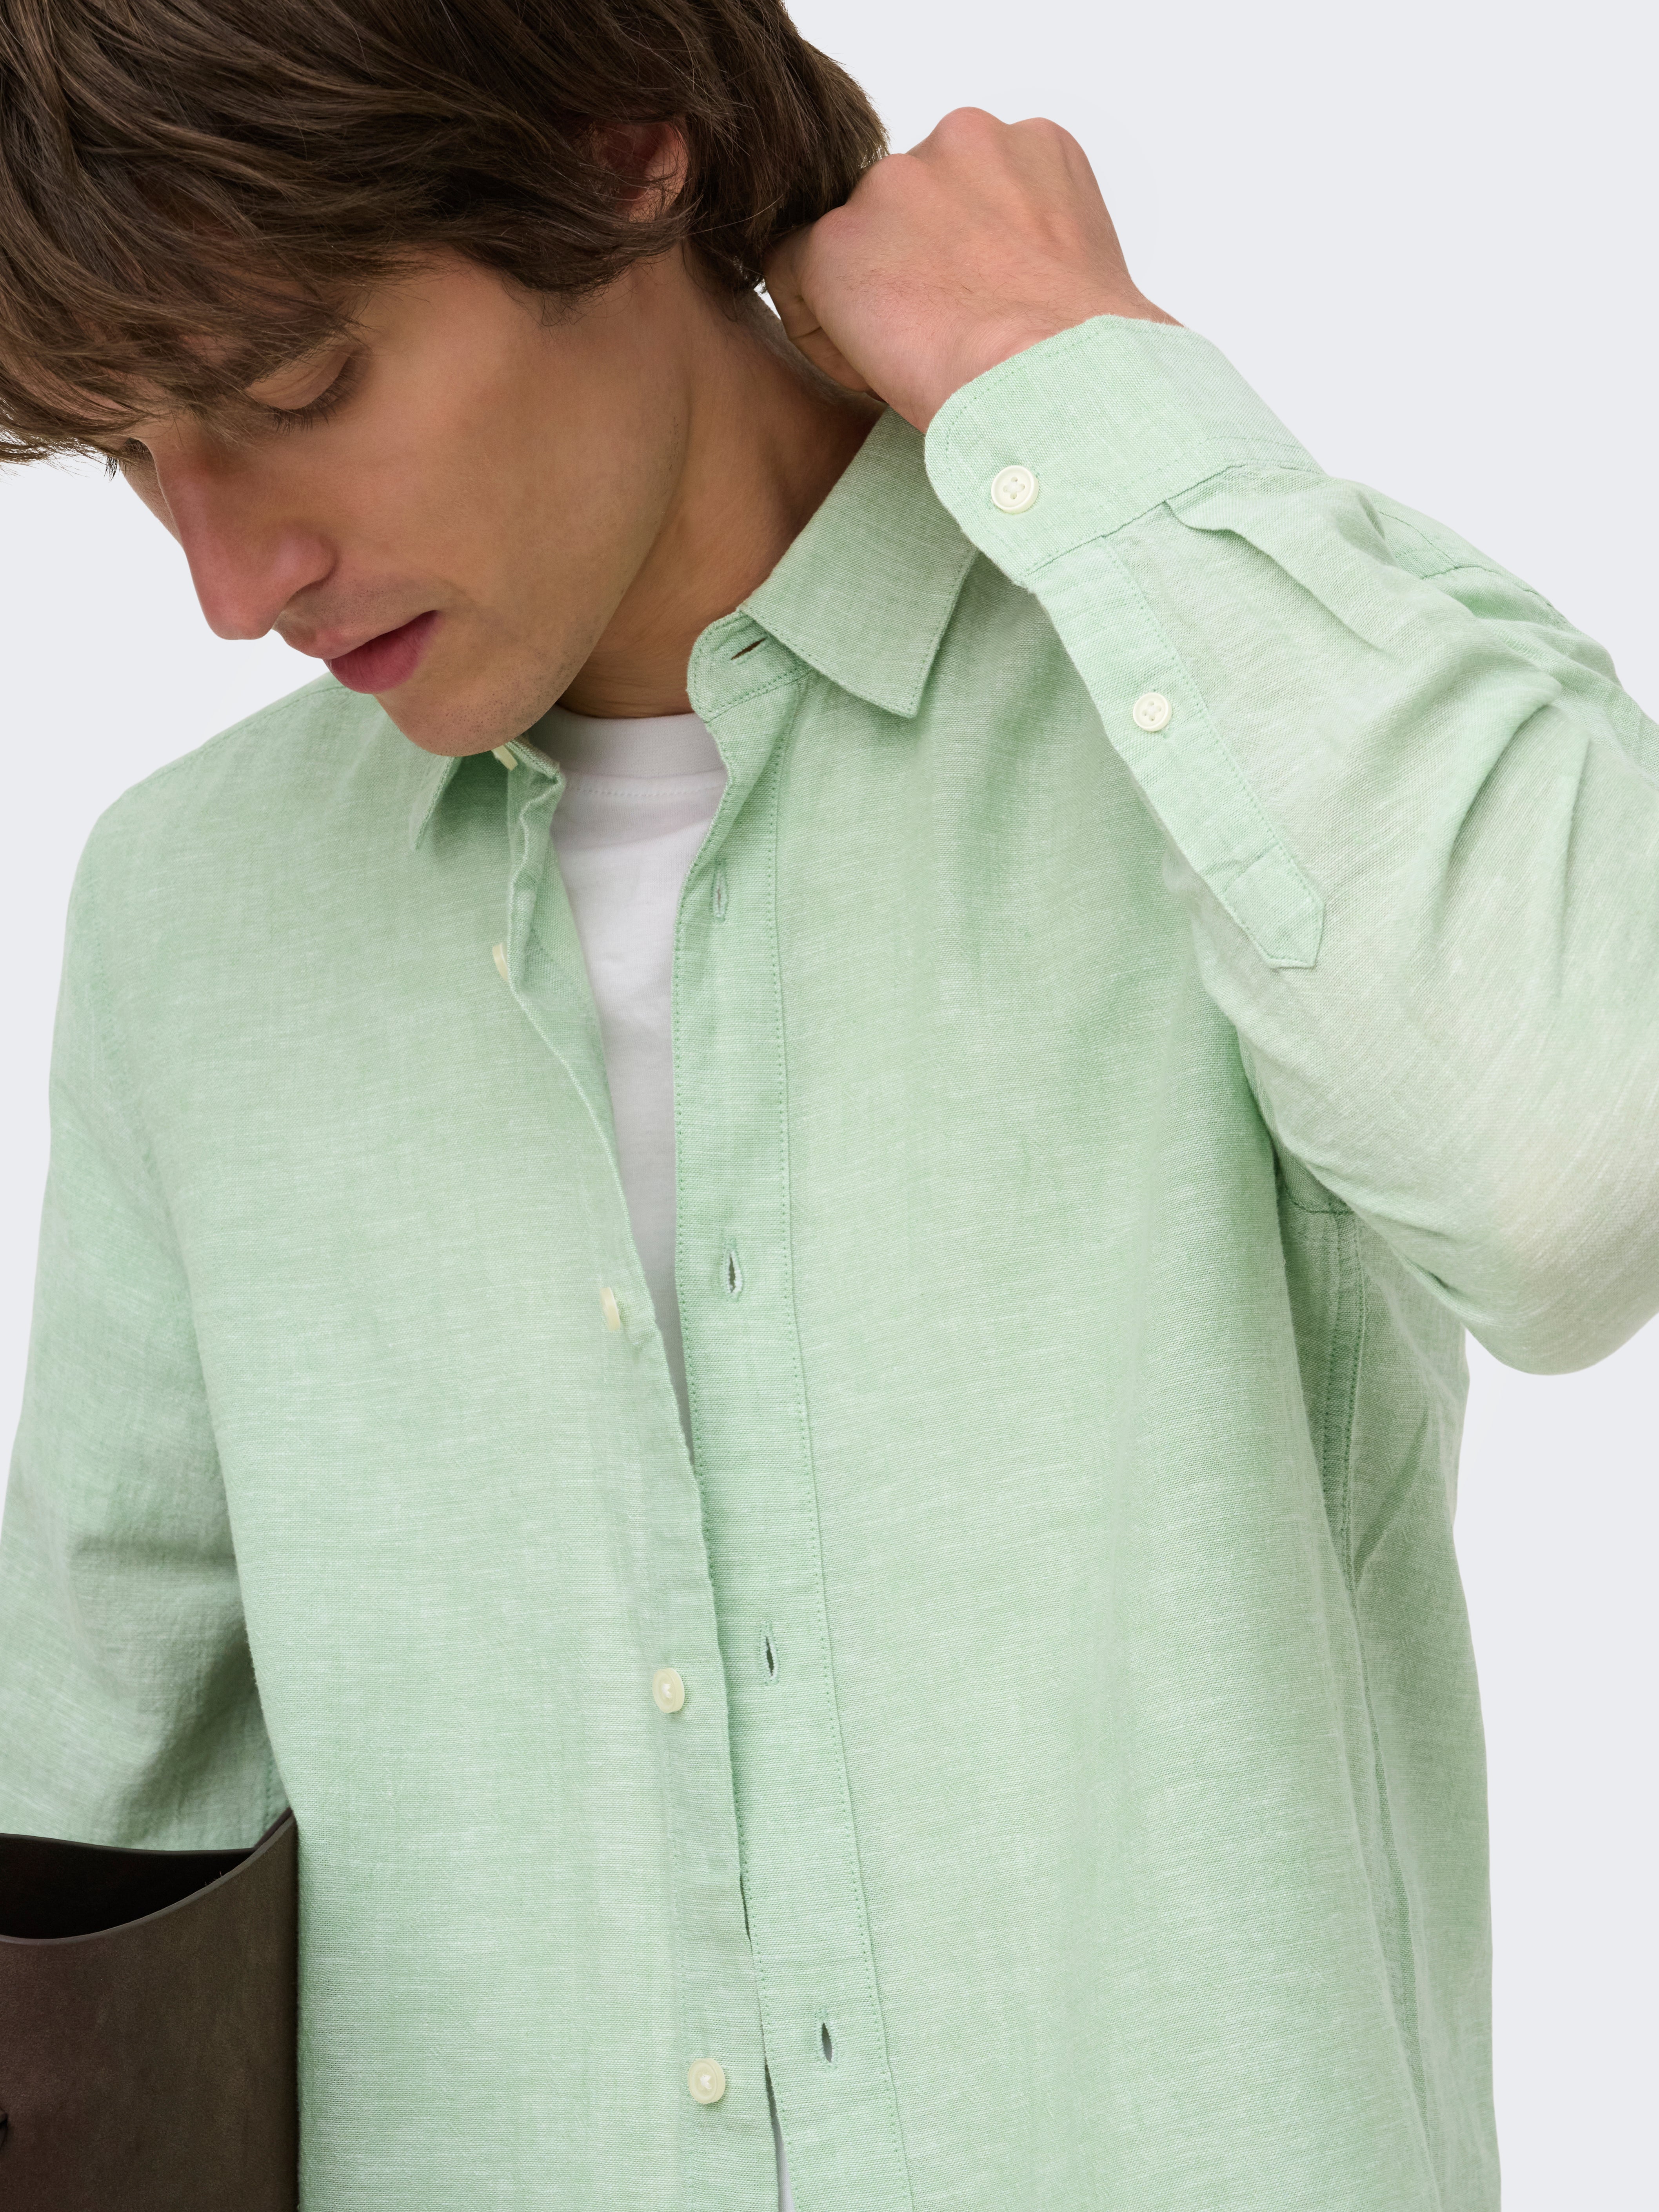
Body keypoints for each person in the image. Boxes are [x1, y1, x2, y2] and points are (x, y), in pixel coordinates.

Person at [0, 0, 1655, 2205]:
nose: (228, 583)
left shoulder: (1237, 694)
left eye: (297, 386)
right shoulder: (194, 911)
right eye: (133, 457)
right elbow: (106, 1827)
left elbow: (1580, 1193)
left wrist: (1070, 370)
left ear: (624, 149)